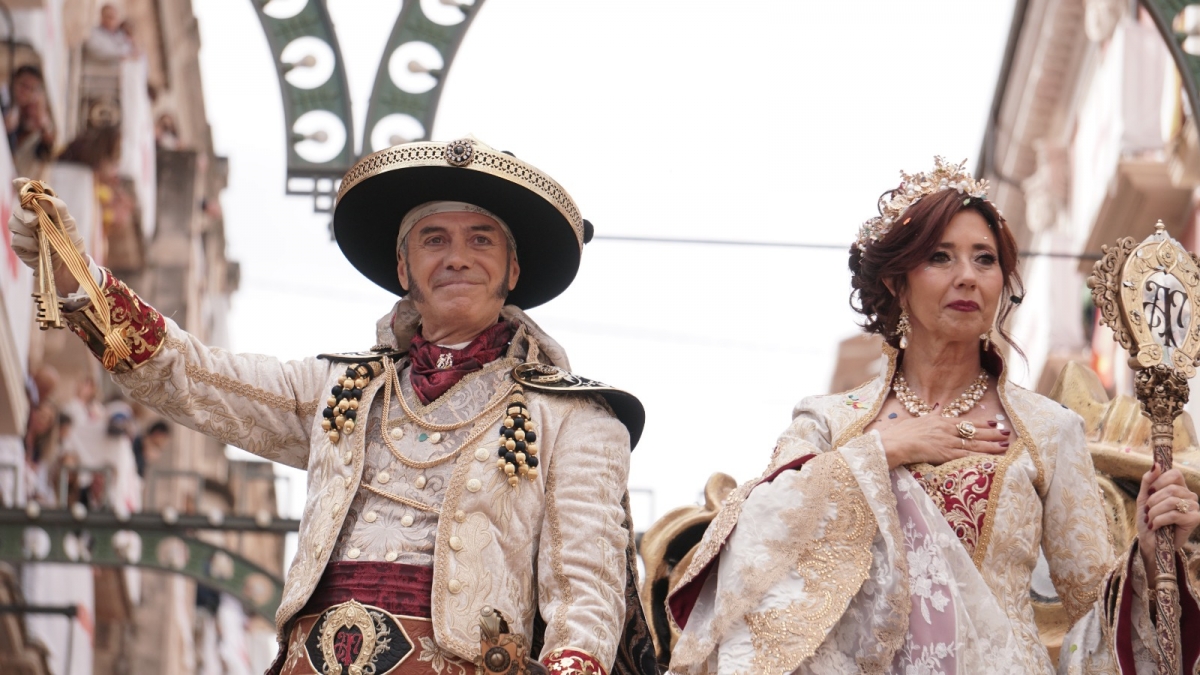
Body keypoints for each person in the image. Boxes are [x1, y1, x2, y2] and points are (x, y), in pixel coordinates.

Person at [7, 138, 657, 675]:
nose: (457, 256)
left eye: (481, 240)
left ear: (513, 268)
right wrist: (81, 282)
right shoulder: (340, 390)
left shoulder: (579, 419)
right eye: (434, 239)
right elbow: (193, 376)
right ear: (404, 266)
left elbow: (585, 594)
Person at [665, 158, 1200, 674]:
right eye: (941, 257)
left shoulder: (1048, 430)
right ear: (897, 282)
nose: (968, 276)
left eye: (985, 259)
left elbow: (1093, 617)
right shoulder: (829, 423)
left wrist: (1151, 562)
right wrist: (885, 450)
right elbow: (755, 539)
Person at [4, 65, 56, 179]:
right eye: (23, 85)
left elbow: (46, 151)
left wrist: (43, 126)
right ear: (13, 81)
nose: (25, 92)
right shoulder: (5, 103)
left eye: (31, 89)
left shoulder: (33, 131)